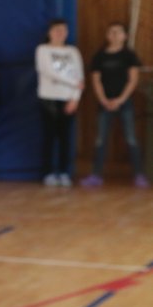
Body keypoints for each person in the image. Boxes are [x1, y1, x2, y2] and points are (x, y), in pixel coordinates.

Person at [80, 22, 149, 188]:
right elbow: (95, 80)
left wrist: (120, 100)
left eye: (118, 32)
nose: (114, 35)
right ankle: (96, 175)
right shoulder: (100, 56)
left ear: (124, 36)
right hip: (105, 103)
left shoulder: (129, 55)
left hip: (124, 103)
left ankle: (139, 175)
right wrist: (104, 99)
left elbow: (133, 80)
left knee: (131, 138)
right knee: (100, 140)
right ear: (107, 35)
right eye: (111, 32)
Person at [35, 19, 84, 187]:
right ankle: (48, 172)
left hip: (68, 99)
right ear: (50, 32)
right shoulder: (43, 50)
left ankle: (64, 172)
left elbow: (80, 77)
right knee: (49, 136)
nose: (60, 33)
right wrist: (72, 83)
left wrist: (75, 98)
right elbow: (48, 71)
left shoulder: (73, 51)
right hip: (48, 98)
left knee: (65, 138)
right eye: (56, 29)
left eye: (63, 30)